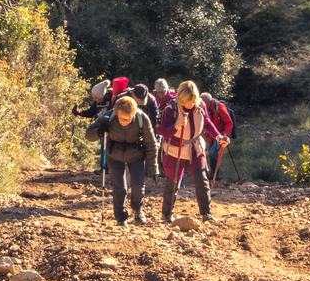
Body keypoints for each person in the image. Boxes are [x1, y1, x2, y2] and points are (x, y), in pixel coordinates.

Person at [158, 80, 228, 222]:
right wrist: (176, 126)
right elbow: (164, 132)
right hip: (174, 150)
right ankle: (166, 215)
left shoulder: (200, 105)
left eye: (192, 101)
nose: (190, 105)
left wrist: (219, 136)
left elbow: (207, 122)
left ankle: (206, 213)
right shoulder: (170, 109)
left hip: (195, 147)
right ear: (180, 99)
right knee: (173, 182)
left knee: (201, 180)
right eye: (187, 102)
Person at [86, 96, 158, 226]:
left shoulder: (142, 119)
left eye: (129, 118)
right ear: (117, 112)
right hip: (115, 155)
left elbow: (151, 144)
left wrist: (153, 167)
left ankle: (137, 211)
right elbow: (88, 135)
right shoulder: (109, 117)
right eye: (122, 119)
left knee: (138, 185)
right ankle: (121, 217)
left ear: (134, 113)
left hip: (136, 155)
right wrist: (99, 131)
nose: (125, 122)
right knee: (120, 188)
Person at [201, 92, 235, 181]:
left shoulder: (219, 106)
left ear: (207, 101)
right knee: (208, 153)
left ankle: (215, 175)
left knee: (213, 153)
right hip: (210, 135)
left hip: (220, 134)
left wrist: (225, 135)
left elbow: (229, 122)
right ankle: (213, 174)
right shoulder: (206, 108)